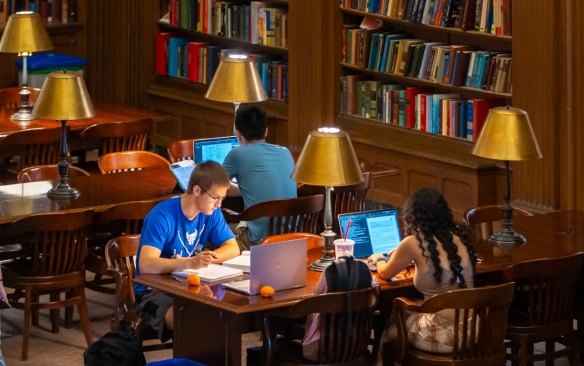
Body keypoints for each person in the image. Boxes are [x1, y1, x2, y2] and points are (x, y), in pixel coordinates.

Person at [134, 161, 240, 342]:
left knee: (225, 314)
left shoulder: (211, 213)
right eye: (215, 198)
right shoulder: (162, 216)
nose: (218, 204)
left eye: (222, 198)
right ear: (197, 190)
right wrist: (190, 262)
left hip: (191, 285)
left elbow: (233, 248)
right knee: (192, 319)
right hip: (153, 290)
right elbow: (146, 264)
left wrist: (205, 260)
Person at [367, 188, 478, 359]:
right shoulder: (461, 235)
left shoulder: (413, 243)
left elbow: (385, 273)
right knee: (410, 308)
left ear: (414, 217)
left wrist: (379, 258)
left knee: (388, 329)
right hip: (473, 329)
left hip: (445, 335)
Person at [223, 104, 297, 251]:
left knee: (214, 230)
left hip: (257, 241)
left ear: (238, 134)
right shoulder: (285, 152)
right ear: (266, 131)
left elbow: (215, 188)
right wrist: (245, 189)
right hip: (290, 238)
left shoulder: (237, 154)